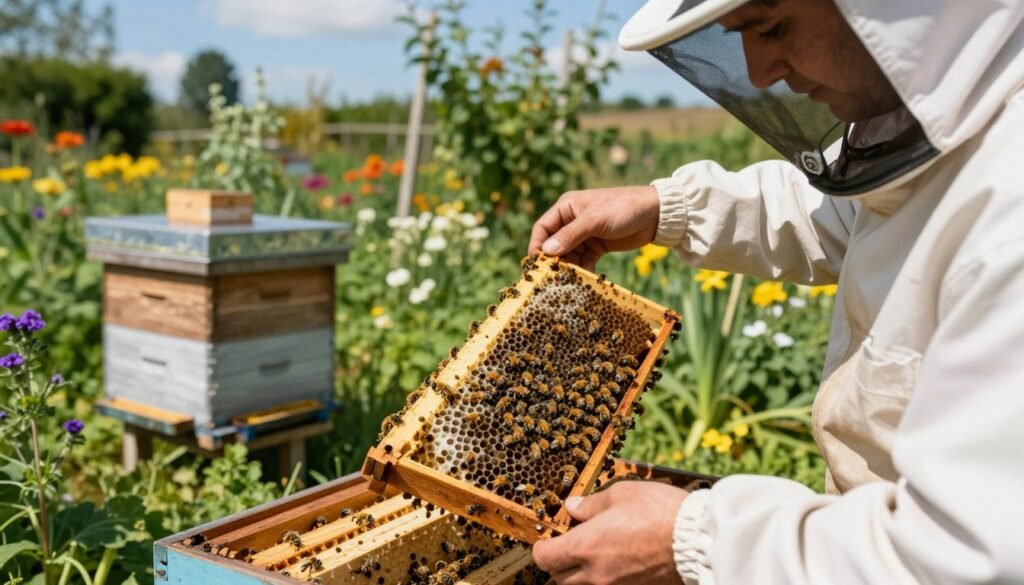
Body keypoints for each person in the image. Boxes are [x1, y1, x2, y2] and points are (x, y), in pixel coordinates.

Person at [528, 0, 1024, 583]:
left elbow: (968, 556)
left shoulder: (1008, 217)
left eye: (770, 26)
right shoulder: (933, 125)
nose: (760, 73)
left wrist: (699, 542)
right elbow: (849, 213)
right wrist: (668, 207)